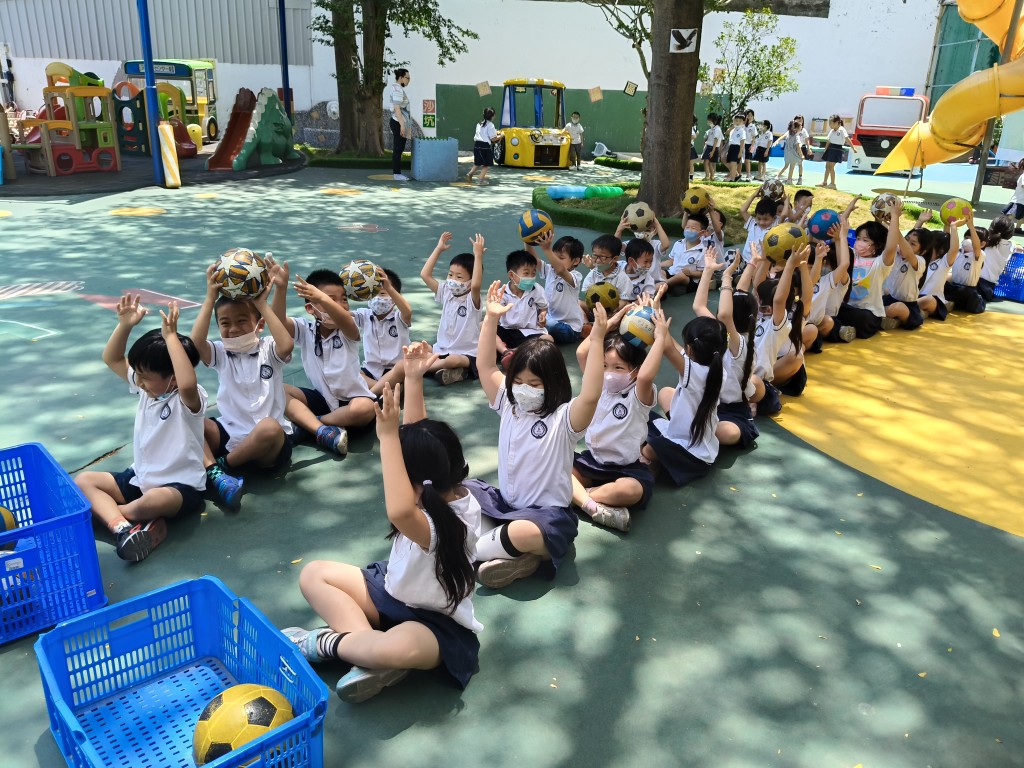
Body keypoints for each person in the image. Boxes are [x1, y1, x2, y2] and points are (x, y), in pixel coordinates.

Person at [283, 343, 482, 703]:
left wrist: (388, 436)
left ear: (415, 483)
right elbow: (418, 439)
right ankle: (368, 656)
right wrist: (414, 377)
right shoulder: (440, 483)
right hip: (392, 591)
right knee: (313, 574)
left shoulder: (451, 521)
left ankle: (326, 644)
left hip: (433, 626)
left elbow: (400, 512)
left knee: (397, 649)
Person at [466, 281, 607, 588]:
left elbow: (592, 395)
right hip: (505, 506)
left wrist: (597, 339)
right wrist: (491, 318)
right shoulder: (508, 404)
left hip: (546, 517)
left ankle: (471, 550)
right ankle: (518, 555)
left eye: (534, 384)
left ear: (552, 383)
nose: (523, 390)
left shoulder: (564, 419)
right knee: (459, 491)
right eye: (518, 381)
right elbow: (485, 366)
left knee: (526, 532)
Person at [75, 297, 206, 562]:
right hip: (140, 478)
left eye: (145, 376)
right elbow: (112, 358)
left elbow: (187, 383)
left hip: (180, 488)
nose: (139, 381)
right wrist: (125, 325)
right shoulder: (147, 389)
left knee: (154, 501)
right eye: (138, 374)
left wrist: (171, 337)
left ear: (172, 377)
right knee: (84, 481)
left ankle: (110, 513)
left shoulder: (187, 398)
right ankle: (122, 528)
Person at [191, 264, 294, 510]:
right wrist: (209, 299)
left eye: (242, 320)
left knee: (269, 427)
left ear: (259, 324)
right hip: (230, 433)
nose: (234, 328)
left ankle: (220, 467)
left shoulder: (268, 348)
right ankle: (217, 473)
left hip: (269, 447)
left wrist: (262, 304)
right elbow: (195, 344)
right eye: (225, 323)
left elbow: (287, 345)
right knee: (191, 422)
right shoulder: (220, 352)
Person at [571, 300, 667, 532]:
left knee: (631, 491)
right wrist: (610, 324)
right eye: (604, 365)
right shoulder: (598, 384)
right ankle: (593, 505)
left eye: (619, 368)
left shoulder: (638, 393)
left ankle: (583, 496)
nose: (609, 373)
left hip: (627, 468)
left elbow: (646, 377)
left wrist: (660, 339)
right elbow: (582, 352)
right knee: (557, 470)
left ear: (635, 370)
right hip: (592, 461)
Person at [270, 266, 376, 456]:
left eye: (344, 299)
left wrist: (321, 298)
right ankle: (322, 430)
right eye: (331, 299)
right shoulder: (305, 330)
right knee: (277, 388)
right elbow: (278, 321)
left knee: (366, 408)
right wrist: (281, 288)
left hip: (352, 402)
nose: (341, 305)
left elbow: (344, 319)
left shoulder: (348, 330)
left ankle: (312, 425)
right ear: (310, 308)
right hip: (323, 399)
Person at [641, 315, 728, 486]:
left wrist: (660, 332)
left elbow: (667, 348)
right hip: (688, 438)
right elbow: (674, 346)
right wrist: (656, 314)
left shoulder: (696, 373)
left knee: (649, 448)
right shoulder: (716, 370)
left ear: (690, 349)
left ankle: (651, 462)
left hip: (694, 455)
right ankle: (655, 460)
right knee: (644, 415)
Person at [692, 252, 759, 449]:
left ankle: (699, 429)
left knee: (728, 432)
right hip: (709, 403)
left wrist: (727, 277)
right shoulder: (720, 331)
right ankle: (699, 428)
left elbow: (724, 314)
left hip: (733, 411)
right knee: (667, 394)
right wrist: (708, 270)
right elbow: (698, 306)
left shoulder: (741, 344)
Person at [421, 232, 486, 385]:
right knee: (416, 348)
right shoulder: (446, 291)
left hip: (466, 354)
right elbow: (425, 275)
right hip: (441, 349)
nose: (452, 280)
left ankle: (425, 368)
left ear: (470, 281)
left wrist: (478, 255)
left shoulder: (472, 299)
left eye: (459, 277)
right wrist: (438, 249)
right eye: (450, 275)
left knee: (453, 360)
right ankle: (449, 371)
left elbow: (476, 285)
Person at [836, 200, 901, 336]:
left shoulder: (880, 263)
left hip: (868, 314)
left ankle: (842, 328)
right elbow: (839, 235)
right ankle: (843, 330)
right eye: (858, 238)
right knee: (832, 307)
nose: (859, 242)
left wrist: (895, 217)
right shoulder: (852, 254)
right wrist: (848, 211)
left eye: (865, 240)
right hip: (847, 308)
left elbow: (891, 246)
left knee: (861, 317)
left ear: (877, 245)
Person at [353, 268, 412, 397]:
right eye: (374, 294)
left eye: (383, 293)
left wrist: (389, 287)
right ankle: (387, 390)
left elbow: (408, 311)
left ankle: (372, 394)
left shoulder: (399, 317)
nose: (377, 298)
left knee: (403, 367)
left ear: (394, 298)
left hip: (394, 370)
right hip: (371, 370)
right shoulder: (364, 315)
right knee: (352, 374)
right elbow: (344, 315)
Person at [527, 231, 587, 344]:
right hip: (550, 319)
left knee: (553, 327)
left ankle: (541, 335)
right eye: (554, 256)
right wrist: (527, 240)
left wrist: (547, 249)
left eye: (561, 258)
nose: (554, 260)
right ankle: (541, 335)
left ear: (576, 261)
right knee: (529, 312)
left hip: (569, 328)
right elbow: (533, 260)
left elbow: (561, 270)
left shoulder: (575, 276)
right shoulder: (550, 270)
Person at [495, 249, 552, 365]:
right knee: (483, 327)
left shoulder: (536, 289)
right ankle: (506, 351)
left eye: (533, 273)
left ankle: (512, 352)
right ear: (512, 275)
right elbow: (495, 316)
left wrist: (542, 315)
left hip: (529, 333)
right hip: (507, 330)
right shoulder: (502, 293)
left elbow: (543, 307)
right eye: (526, 273)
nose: (531, 277)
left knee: (548, 339)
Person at [946, 215, 1011, 312]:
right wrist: (951, 226)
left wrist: (971, 226)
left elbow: (976, 246)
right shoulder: (1010, 246)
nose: (967, 241)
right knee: (946, 280)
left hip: (977, 286)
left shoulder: (979, 252)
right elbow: (949, 244)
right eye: (966, 238)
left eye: (971, 239)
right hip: (985, 287)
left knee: (962, 290)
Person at [920, 213, 976, 320]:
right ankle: (915, 311)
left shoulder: (943, 262)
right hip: (913, 298)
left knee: (928, 300)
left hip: (932, 300)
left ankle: (914, 311)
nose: (925, 249)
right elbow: (910, 242)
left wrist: (953, 228)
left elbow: (953, 248)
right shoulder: (919, 258)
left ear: (941, 251)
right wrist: (920, 222)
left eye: (930, 248)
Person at [580, 234, 630, 317]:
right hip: (593, 311)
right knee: (578, 303)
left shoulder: (622, 278)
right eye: (595, 256)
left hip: (612, 313)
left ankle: (607, 323)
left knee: (627, 308)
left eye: (602, 257)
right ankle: (586, 323)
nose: (597, 260)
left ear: (615, 259)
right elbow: (586, 291)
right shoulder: (593, 273)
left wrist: (613, 312)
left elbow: (623, 300)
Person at [978, 215, 1015, 302]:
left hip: (974, 282)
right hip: (989, 288)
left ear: (990, 229)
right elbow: (1016, 246)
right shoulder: (1011, 246)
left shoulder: (984, 243)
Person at [739, 187, 781, 265]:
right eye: (759, 218)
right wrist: (753, 195)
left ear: (774, 218)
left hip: (759, 265)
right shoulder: (753, 223)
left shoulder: (774, 229)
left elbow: (784, 214)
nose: (761, 222)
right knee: (731, 253)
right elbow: (742, 210)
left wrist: (784, 199)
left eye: (765, 219)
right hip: (745, 261)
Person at [466, 107, 503, 184]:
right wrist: (501, 136)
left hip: (477, 145)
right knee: (486, 164)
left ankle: (470, 174)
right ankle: (480, 180)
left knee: (478, 163)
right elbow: (493, 139)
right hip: (485, 146)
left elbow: (483, 133)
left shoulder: (479, 124)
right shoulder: (491, 125)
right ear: (493, 116)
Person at [387, 68, 412, 181]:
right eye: (407, 78)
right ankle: (397, 174)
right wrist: (402, 125)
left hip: (399, 122)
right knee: (398, 149)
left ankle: (397, 173)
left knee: (399, 148)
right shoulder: (397, 89)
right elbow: (397, 108)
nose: (408, 80)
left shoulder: (397, 88)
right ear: (401, 78)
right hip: (398, 122)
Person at [819, 115, 849, 189]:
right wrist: (825, 149)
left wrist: (853, 148)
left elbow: (847, 138)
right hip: (830, 148)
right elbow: (828, 141)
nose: (829, 125)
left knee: (831, 167)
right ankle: (824, 182)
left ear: (836, 123)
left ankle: (833, 184)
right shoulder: (832, 131)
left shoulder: (841, 130)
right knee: (827, 166)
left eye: (830, 123)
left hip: (837, 149)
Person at [1000, 159, 1024, 235]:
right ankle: (1004, 227)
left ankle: (1017, 228)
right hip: (1019, 200)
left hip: (1022, 201)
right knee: (1011, 215)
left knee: (1022, 217)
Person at [725, 113, 747, 182]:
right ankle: (735, 176)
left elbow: (742, 141)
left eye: (740, 121)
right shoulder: (733, 130)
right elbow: (727, 133)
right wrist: (732, 126)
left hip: (737, 147)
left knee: (733, 163)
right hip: (731, 147)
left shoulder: (742, 131)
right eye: (736, 120)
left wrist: (740, 152)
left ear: (743, 122)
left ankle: (732, 178)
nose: (738, 122)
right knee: (731, 163)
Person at [702, 113, 724, 182]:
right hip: (709, 147)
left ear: (714, 121)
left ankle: (708, 176)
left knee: (707, 162)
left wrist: (713, 151)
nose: (708, 122)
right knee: (708, 163)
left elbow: (716, 140)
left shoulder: (717, 129)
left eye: (709, 120)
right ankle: (711, 176)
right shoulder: (712, 129)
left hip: (712, 148)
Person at [743, 109, 758, 182]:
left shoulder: (753, 126)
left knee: (747, 160)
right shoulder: (742, 125)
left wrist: (752, 147)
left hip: (749, 145)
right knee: (740, 160)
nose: (750, 117)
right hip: (741, 145)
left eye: (751, 116)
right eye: (748, 115)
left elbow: (754, 138)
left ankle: (748, 175)